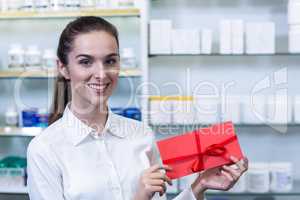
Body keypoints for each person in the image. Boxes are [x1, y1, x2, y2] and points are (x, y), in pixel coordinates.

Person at [27, 16, 248, 200]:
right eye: (85, 62)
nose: (102, 73)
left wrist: (200, 185)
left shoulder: (141, 134)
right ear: (63, 68)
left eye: (110, 61)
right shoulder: (45, 149)